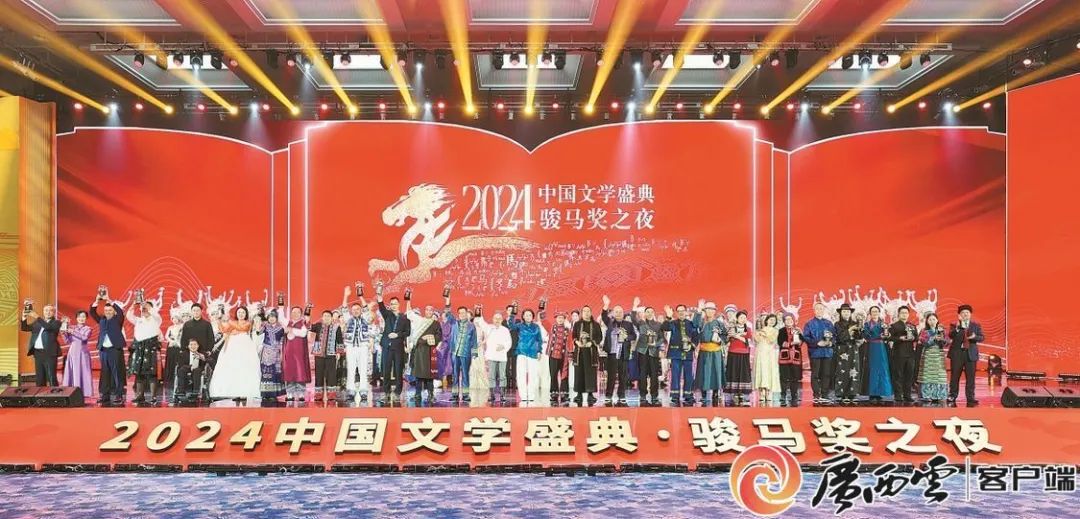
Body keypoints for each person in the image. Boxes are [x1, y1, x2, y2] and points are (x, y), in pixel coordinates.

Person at [208, 306, 262, 401]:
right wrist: (219, 320)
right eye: (239, 312)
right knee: (231, 367)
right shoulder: (233, 322)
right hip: (232, 345)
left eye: (243, 312)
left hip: (245, 345)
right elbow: (224, 330)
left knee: (244, 367)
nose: (241, 314)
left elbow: (241, 327)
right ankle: (229, 391)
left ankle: (245, 391)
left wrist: (229, 322)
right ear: (236, 313)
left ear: (246, 314)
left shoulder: (248, 323)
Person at [343, 287, 380, 401]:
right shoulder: (348, 319)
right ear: (351, 311)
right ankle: (351, 390)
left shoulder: (365, 318)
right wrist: (346, 296)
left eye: (357, 309)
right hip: (351, 347)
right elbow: (344, 309)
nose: (355, 311)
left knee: (363, 369)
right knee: (351, 369)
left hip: (363, 346)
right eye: (353, 309)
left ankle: (364, 391)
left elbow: (366, 309)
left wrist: (361, 297)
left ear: (361, 310)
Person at [600, 297, 637, 407]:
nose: (618, 313)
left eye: (620, 312)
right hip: (612, 354)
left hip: (623, 353)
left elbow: (634, 336)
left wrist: (626, 337)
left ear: (623, 313)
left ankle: (622, 396)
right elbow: (603, 315)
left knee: (623, 376)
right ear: (613, 313)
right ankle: (608, 396)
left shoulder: (628, 324)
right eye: (616, 312)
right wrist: (606, 304)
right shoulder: (610, 322)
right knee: (611, 376)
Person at [90, 295, 127, 405]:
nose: (108, 312)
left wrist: (109, 300)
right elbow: (92, 312)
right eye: (106, 310)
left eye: (110, 310)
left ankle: (119, 395)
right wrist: (97, 301)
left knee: (117, 373)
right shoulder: (102, 320)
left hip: (114, 349)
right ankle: (105, 395)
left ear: (113, 311)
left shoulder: (118, 319)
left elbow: (120, 312)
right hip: (103, 350)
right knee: (105, 373)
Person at [176, 303, 215, 402]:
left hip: (202, 354)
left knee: (197, 370)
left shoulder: (207, 324)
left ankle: (195, 392)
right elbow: (183, 339)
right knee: (182, 369)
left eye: (198, 310)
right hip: (188, 354)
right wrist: (184, 351)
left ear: (201, 311)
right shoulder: (187, 324)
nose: (196, 312)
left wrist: (208, 351)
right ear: (191, 312)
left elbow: (211, 339)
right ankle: (181, 391)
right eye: (194, 310)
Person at [661, 304, 699, 406]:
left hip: (688, 353)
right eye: (679, 311)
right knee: (675, 375)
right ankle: (675, 396)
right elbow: (664, 327)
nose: (681, 312)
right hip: (675, 353)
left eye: (683, 310)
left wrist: (692, 346)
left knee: (689, 376)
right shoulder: (672, 323)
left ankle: (688, 395)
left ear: (686, 312)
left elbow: (696, 337)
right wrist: (668, 316)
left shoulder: (691, 324)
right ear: (677, 313)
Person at [128, 298, 163, 405]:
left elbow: (156, 315)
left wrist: (147, 306)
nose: (144, 309)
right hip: (140, 349)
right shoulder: (139, 320)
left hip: (151, 348)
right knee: (139, 373)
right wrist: (133, 305)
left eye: (146, 308)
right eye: (143, 308)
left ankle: (153, 397)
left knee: (152, 374)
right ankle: (140, 396)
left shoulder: (156, 320)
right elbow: (129, 316)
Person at [691, 301, 727, 407]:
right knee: (703, 372)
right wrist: (699, 311)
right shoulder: (701, 322)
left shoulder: (719, 323)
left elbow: (725, 335)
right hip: (704, 351)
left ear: (715, 311)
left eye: (712, 309)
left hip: (716, 351)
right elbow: (694, 324)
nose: (710, 311)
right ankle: (703, 394)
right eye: (707, 309)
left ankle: (716, 393)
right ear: (705, 311)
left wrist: (720, 340)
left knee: (716, 372)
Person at [377, 292, 411, 403]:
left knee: (398, 370)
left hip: (398, 347)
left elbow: (407, 332)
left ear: (399, 304)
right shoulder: (387, 315)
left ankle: (397, 392)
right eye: (391, 304)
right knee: (386, 370)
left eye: (395, 304)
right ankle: (386, 392)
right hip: (387, 346)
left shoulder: (404, 318)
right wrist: (379, 296)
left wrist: (397, 335)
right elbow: (381, 306)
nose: (393, 306)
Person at [629, 299, 664, 407]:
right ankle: (643, 396)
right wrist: (634, 306)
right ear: (644, 314)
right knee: (642, 375)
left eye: (651, 312)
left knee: (654, 375)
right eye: (647, 312)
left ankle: (654, 396)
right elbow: (633, 318)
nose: (649, 313)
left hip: (653, 352)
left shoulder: (658, 325)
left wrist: (656, 344)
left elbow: (662, 338)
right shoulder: (641, 323)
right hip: (642, 352)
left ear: (653, 313)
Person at [506, 307, 543, 405]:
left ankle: (531, 395)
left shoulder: (536, 327)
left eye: (530, 315)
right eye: (526, 315)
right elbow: (511, 325)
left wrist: (539, 351)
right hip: (521, 352)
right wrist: (513, 314)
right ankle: (523, 396)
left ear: (533, 317)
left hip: (532, 353)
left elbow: (539, 340)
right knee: (521, 375)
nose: (528, 316)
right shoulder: (520, 326)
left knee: (533, 375)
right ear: (523, 316)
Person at [948, 304, 984, 406]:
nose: (965, 314)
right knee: (955, 376)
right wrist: (957, 328)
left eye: (967, 313)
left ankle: (970, 397)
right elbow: (950, 335)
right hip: (957, 354)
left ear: (970, 314)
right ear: (959, 315)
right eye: (963, 313)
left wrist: (974, 337)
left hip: (970, 354)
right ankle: (952, 395)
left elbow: (981, 337)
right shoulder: (954, 325)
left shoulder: (975, 325)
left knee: (971, 377)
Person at [474, 311, 512, 405]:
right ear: (493, 319)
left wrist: (503, 346)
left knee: (502, 376)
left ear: (502, 320)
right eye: (495, 318)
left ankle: (502, 395)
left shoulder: (505, 330)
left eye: (499, 318)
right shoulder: (489, 328)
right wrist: (479, 312)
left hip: (502, 356)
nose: (497, 320)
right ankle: (492, 395)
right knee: (491, 376)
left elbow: (509, 342)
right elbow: (482, 322)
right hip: (491, 356)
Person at [444, 300, 477, 404]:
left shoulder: (471, 326)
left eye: (464, 312)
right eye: (460, 313)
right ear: (458, 314)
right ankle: (454, 395)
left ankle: (466, 395)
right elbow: (448, 313)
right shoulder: (454, 323)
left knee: (465, 375)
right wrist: (448, 301)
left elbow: (474, 340)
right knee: (455, 374)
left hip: (465, 353)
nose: (462, 314)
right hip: (455, 353)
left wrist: (474, 353)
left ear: (467, 313)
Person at [802, 303, 836, 404]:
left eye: (821, 309)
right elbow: (806, 337)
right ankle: (816, 394)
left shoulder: (829, 323)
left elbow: (834, 336)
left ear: (824, 310)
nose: (819, 311)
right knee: (815, 374)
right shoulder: (809, 323)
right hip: (815, 352)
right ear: (814, 310)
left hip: (827, 352)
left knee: (826, 374)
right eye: (817, 309)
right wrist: (817, 343)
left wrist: (831, 342)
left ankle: (825, 394)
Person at [409, 305, 443, 405]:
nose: (429, 312)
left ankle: (431, 394)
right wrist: (421, 340)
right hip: (419, 350)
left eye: (431, 310)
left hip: (429, 351)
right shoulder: (420, 321)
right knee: (418, 374)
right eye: (427, 310)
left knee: (429, 375)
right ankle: (417, 394)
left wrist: (430, 338)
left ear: (433, 312)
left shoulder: (436, 323)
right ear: (425, 311)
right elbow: (414, 335)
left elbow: (439, 336)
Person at [20, 303, 61, 387]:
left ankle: (55, 393)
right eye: (46, 310)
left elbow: (48, 327)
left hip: (50, 353)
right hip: (38, 353)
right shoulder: (37, 322)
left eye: (50, 310)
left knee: (51, 377)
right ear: (43, 311)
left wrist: (37, 316)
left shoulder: (56, 322)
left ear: (54, 312)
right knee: (40, 377)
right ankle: (40, 393)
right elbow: (25, 328)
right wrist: (24, 316)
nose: (48, 312)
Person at [571, 306, 604, 407]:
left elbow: (599, 337)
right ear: (582, 313)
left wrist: (592, 343)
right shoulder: (577, 324)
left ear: (591, 312)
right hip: (579, 352)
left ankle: (590, 394)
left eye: (588, 311)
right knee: (579, 373)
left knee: (591, 373)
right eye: (584, 311)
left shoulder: (596, 325)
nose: (586, 313)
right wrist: (577, 342)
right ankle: (579, 394)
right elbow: (574, 336)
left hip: (591, 352)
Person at [309, 310, 344, 401]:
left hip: (331, 354)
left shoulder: (336, 327)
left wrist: (339, 352)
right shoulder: (318, 326)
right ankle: (318, 395)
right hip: (319, 354)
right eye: (324, 316)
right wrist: (307, 312)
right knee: (318, 375)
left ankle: (331, 395)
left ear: (331, 318)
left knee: (331, 375)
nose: (326, 318)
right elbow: (308, 326)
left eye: (328, 316)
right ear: (322, 317)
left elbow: (340, 340)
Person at [887, 306, 919, 404]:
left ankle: (907, 395)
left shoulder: (912, 326)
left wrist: (913, 338)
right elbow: (889, 338)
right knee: (898, 375)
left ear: (908, 314)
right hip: (898, 353)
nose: (904, 314)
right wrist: (899, 338)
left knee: (909, 375)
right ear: (899, 314)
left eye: (906, 313)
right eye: (902, 313)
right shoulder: (894, 326)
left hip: (910, 354)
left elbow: (916, 338)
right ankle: (898, 395)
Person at [832, 304, 862, 404]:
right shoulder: (837, 324)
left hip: (853, 348)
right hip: (842, 349)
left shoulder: (855, 323)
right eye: (844, 311)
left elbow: (858, 337)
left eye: (848, 311)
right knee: (842, 371)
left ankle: (853, 394)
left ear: (850, 313)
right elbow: (839, 337)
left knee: (854, 370)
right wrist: (849, 330)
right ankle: (842, 394)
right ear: (840, 313)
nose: (846, 313)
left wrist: (860, 331)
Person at [60, 310, 94, 397]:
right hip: (73, 352)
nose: (81, 318)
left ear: (86, 318)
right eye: (79, 317)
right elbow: (67, 341)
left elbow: (84, 338)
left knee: (84, 371)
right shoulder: (72, 327)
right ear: (76, 318)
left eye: (83, 317)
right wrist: (63, 333)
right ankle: (71, 391)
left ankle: (85, 392)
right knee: (73, 371)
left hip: (83, 352)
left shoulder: (88, 329)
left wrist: (72, 331)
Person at [863, 306, 893, 403]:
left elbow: (888, 335)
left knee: (882, 368)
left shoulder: (883, 324)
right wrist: (878, 335)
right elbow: (866, 335)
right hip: (871, 347)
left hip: (881, 348)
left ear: (879, 313)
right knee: (872, 369)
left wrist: (887, 335)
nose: (875, 313)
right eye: (873, 311)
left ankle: (880, 392)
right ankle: (872, 393)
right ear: (870, 313)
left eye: (876, 311)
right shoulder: (867, 324)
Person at [283, 306, 312, 402]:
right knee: (289, 371)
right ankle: (290, 393)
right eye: (293, 312)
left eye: (297, 312)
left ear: (301, 314)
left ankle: (301, 393)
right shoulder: (288, 323)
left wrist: (291, 330)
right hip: (289, 352)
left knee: (300, 372)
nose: (295, 314)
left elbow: (303, 333)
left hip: (300, 352)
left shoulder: (303, 323)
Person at [918, 312, 949, 404]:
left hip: (939, 355)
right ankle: (927, 395)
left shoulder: (942, 331)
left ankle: (940, 395)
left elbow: (947, 343)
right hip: (928, 355)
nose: (932, 321)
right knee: (928, 375)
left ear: (937, 320)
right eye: (930, 319)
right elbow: (924, 342)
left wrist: (942, 340)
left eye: (934, 319)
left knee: (939, 374)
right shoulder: (924, 331)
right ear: (927, 321)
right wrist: (933, 338)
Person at [725, 311, 754, 406]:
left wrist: (737, 336)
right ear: (737, 319)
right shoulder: (732, 328)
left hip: (744, 353)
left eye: (745, 318)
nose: (743, 319)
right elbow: (727, 340)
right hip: (733, 353)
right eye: (741, 317)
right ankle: (732, 394)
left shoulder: (748, 329)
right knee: (733, 372)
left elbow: (748, 342)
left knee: (744, 373)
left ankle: (743, 394)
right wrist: (731, 336)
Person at [752, 313, 782, 406]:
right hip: (760, 352)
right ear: (766, 320)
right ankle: (761, 393)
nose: (772, 321)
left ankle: (768, 392)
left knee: (769, 372)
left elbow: (771, 340)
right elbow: (756, 340)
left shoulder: (775, 331)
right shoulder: (760, 330)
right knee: (761, 371)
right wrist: (758, 333)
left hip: (770, 354)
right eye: (770, 319)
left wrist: (764, 334)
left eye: (774, 320)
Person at [258, 309, 287, 402]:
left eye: (273, 317)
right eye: (270, 317)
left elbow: (282, 341)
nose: (271, 318)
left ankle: (273, 394)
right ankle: (265, 394)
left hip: (276, 352)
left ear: (276, 318)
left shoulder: (281, 328)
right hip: (266, 352)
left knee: (275, 373)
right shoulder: (265, 326)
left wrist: (281, 352)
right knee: (265, 372)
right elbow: (258, 333)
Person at [776, 313, 803, 407]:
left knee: (795, 378)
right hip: (784, 357)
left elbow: (802, 341)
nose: (789, 321)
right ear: (784, 321)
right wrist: (791, 343)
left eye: (791, 319)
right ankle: (783, 395)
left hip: (795, 357)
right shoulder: (781, 330)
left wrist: (799, 341)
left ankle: (794, 395)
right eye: (787, 319)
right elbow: (780, 342)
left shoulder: (797, 330)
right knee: (784, 377)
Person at [545, 310, 572, 404]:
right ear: (556, 319)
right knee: (553, 375)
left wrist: (570, 354)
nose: (560, 319)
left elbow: (570, 343)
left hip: (564, 356)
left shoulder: (568, 330)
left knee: (564, 375)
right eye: (558, 318)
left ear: (564, 319)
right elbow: (543, 320)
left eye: (562, 318)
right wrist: (542, 307)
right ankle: (554, 394)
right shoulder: (551, 327)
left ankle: (564, 394)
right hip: (553, 355)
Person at [163, 307, 188, 398]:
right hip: (171, 347)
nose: (175, 320)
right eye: (173, 318)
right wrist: (171, 341)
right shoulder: (170, 327)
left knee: (178, 363)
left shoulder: (182, 326)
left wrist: (177, 341)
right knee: (170, 362)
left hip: (178, 347)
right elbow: (166, 336)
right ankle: (170, 380)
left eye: (176, 318)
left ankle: (178, 379)